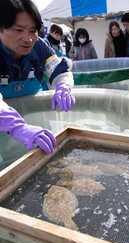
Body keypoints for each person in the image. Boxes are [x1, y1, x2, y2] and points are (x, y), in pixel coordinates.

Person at [0, 0, 75, 154]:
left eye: (33, 30)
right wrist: (18, 128)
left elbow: (60, 71)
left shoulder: (39, 46)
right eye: (19, 30)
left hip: (37, 125)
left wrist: (63, 86)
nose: (28, 39)